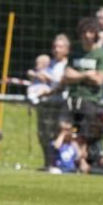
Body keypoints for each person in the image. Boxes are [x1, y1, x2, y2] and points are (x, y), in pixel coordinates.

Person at [60, 16, 103, 164]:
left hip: (90, 100)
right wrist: (86, 74)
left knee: (84, 135)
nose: (87, 35)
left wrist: (77, 75)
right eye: (84, 32)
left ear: (95, 34)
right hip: (72, 98)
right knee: (64, 129)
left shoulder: (100, 54)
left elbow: (99, 79)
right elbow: (67, 75)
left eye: (91, 32)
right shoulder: (75, 52)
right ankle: (67, 161)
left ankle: (83, 163)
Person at [34, 34, 71, 169]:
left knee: (58, 134)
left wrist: (49, 89)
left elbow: (62, 84)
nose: (56, 49)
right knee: (43, 134)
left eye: (60, 47)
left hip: (61, 105)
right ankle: (48, 163)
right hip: (45, 104)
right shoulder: (49, 63)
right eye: (55, 46)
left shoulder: (68, 65)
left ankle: (57, 162)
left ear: (67, 49)